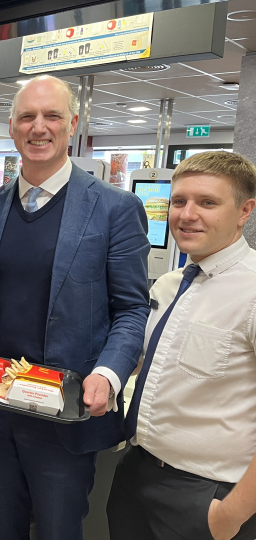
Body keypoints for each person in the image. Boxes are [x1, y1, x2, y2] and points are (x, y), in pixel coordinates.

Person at [0, 74, 151, 540]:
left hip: (66, 411)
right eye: (28, 116)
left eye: (51, 116)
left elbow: (131, 309)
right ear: (12, 127)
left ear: (73, 124)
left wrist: (106, 374)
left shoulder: (114, 208)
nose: (38, 127)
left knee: (58, 531)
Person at [107, 151, 256, 540]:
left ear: (245, 211)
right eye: (179, 201)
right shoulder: (168, 285)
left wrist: (229, 516)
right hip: (136, 474)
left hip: (208, 494)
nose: (187, 214)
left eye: (207, 202)